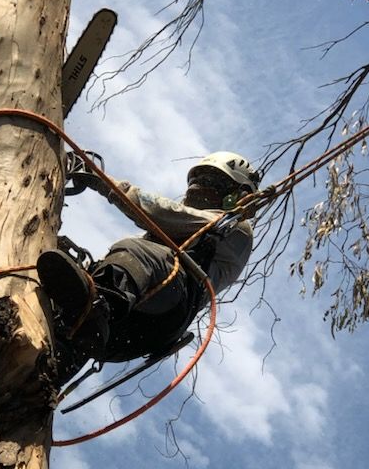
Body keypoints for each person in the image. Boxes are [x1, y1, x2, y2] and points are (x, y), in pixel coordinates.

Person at [37, 152, 258, 381]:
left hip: (158, 319)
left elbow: (162, 213)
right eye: (196, 180)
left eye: (212, 182)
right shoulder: (164, 240)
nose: (199, 187)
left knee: (134, 251)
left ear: (237, 195)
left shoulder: (236, 229)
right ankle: (55, 360)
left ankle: (95, 308)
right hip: (116, 330)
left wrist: (101, 180)